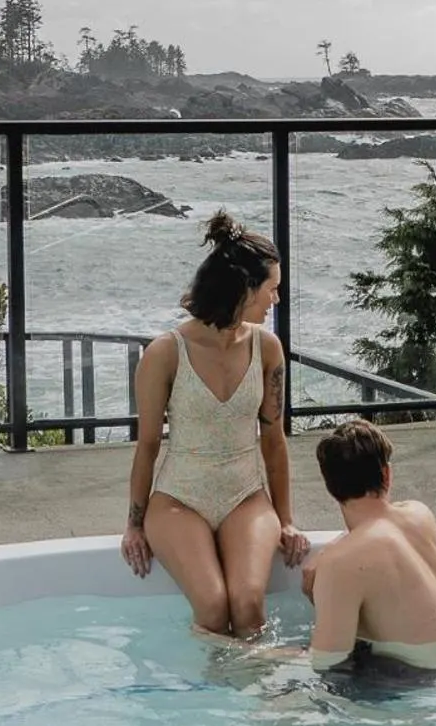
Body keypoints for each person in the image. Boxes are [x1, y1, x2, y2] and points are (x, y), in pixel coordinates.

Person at [120, 211, 310, 637]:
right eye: (272, 289)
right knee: (211, 606)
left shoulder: (267, 349)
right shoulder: (165, 353)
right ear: (245, 288)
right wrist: (133, 524)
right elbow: (147, 445)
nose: (276, 299)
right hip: (178, 499)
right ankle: (227, 678)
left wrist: (286, 519)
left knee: (248, 605)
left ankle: (249, 678)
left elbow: (274, 441)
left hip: (246, 496)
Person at [300, 418, 436, 679]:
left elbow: (326, 662)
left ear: (330, 487)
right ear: (386, 474)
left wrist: (250, 653)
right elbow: (374, 529)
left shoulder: (340, 562)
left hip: (399, 681)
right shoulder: (420, 515)